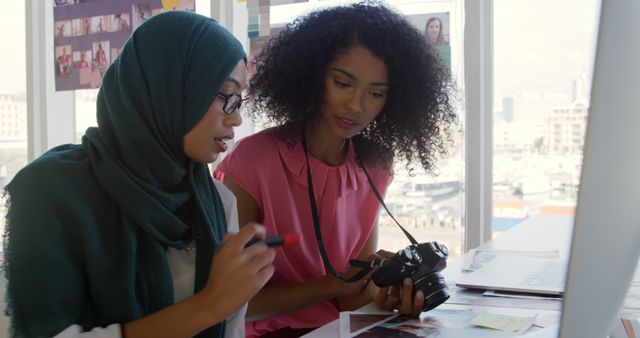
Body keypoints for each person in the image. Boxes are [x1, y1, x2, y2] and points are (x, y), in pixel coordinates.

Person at [3, 11, 275, 338]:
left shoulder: (217, 203)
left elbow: (230, 329)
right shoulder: (49, 191)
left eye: (240, 101)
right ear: (167, 85)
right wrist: (208, 305)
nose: (236, 120)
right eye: (226, 96)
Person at [215, 2, 456, 337]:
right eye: (343, 83)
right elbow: (230, 303)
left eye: (376, 93)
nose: (356, 105)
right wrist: (331, 286)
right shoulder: (253, 161)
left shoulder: (375, 165)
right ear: (314, 75)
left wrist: (388, 294)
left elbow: (350, 299)